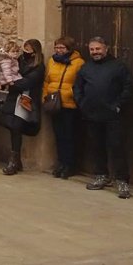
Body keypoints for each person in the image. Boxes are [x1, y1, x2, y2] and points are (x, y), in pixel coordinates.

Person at [74, 36, 133, 199]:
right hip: (91, 115)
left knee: (117, 147)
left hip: (112, 116)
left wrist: (118, 105)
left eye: (98, 49)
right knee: (96, 147)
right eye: (92, 49)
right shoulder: (86, 68)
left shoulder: (118, 66)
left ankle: (122, 181)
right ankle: (101, 175)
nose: (95, 52)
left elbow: (128, 88)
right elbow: (77, 88)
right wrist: (82, 104)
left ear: (106, 48)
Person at [0, 39, 45, 175]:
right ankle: (16, 160)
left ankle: (14, 161)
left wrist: (11, 83)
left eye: (29, 50)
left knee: (17, 127)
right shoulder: (19, 60)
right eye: (25, 48)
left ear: (35, 52)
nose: (26, 52)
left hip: (26, 100)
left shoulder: (38, 66)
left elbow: (27, 83)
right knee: (13, 128)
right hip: (14, 99)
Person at [41, 37, 84, 179]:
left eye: (62, 48)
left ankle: (69, 165)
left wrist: (73, 94)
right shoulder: (52, 61)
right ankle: (61, 163)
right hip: (54, 103)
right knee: (58, 135)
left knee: (69, 136)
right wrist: (45, 96)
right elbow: (47, 80)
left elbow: (80, 83)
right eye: (57, 48)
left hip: (69, 104)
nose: (59, 51)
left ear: (69, 49)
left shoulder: (78, 63)